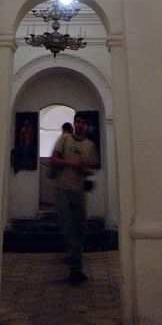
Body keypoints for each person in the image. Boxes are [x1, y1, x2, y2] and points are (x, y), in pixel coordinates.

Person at [50, 113, 98, 284]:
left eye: (83, 122)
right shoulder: (64, 140)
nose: (80, 124)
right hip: (63, 188)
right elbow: (53, 160)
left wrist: (84, 170)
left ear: (86, 125)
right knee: (66, 226)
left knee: (79, 229)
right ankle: (71, 256)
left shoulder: (90, 145)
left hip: (78, 191)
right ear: (74, 123)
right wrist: (71, 163)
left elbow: (91, 169)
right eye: (78, 121)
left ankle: (75, 270)